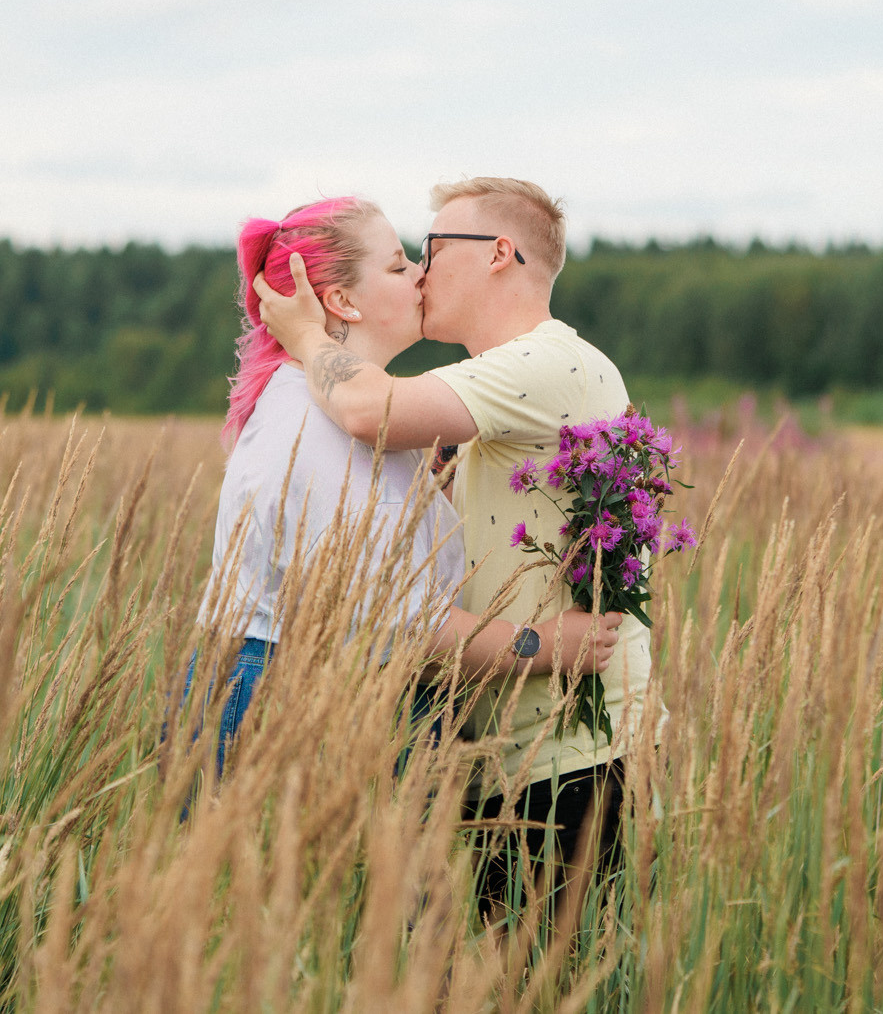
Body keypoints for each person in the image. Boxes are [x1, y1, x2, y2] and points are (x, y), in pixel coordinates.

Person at [253, 177, 649, 921]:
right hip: (507, 753)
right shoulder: (494, 400)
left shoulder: (546, 364)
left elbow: (369, 407)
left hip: (566, 754)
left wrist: (307, 337)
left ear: (500, 253)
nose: (422, 271)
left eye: (432, 248)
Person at [194, 194, 623, 780]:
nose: (422, 273)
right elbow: (406, 626)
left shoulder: (344, 411)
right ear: (343, 301)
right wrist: (543, 647)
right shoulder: (322, 430)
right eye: (400, 265)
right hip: (308, 705)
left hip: (323, 699)